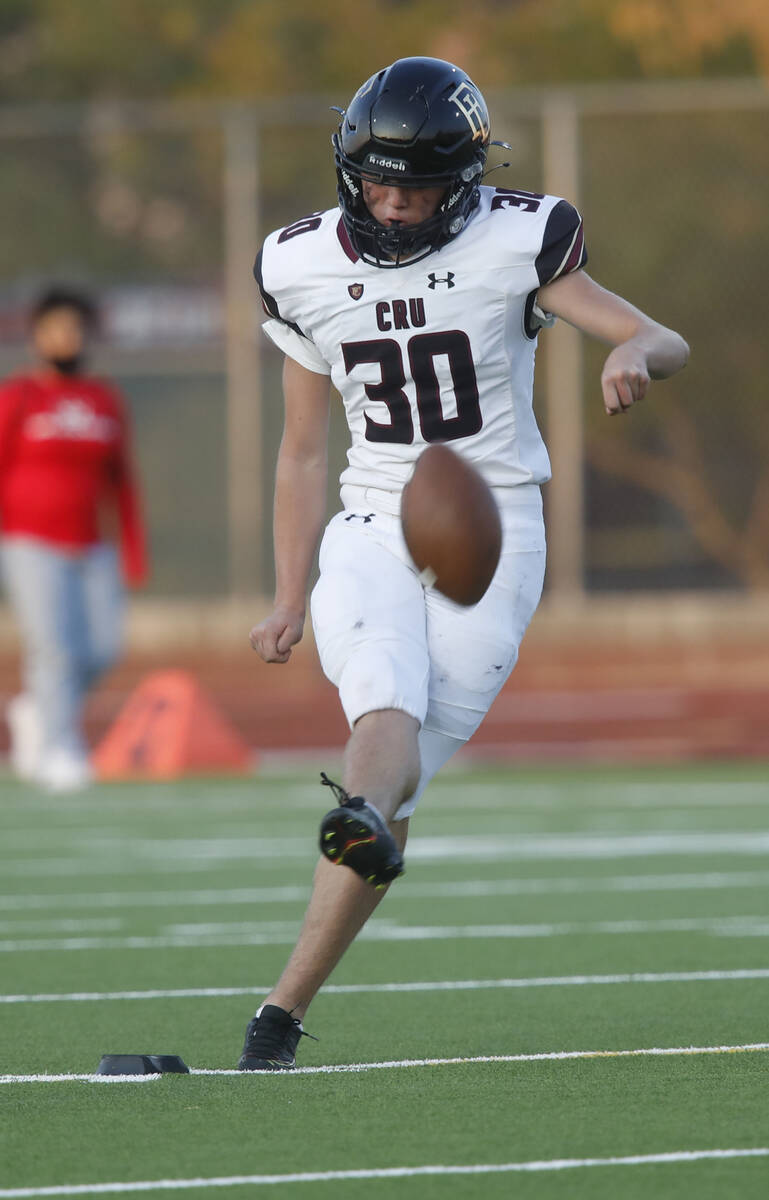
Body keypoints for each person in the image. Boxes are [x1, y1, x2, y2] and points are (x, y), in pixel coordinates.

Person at [239, 56, 689, 1070]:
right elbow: (304, 449)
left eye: (421, 186)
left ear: (467, 177)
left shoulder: (518, 239)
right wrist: (284, 592)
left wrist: (629, 354)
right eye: (381, 185)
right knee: (380, 704)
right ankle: (350, 823)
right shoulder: (300, 263)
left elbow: (661, 336)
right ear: (351, 172)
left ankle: (280, 1010)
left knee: (396, 801)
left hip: (493, 528)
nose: (397, 207)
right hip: (373, 514)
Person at [0, 286, 148, 791]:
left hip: (92, 546)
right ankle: (59, 749)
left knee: (103, 648)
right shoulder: (18, 397)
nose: (67, 337)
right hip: (29, 542)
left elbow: (122, 481)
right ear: (38, 337)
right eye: (56, 329)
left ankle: (37, 710)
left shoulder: (103, 399)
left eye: (76, 328)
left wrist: (133, 549)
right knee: (55, 651)